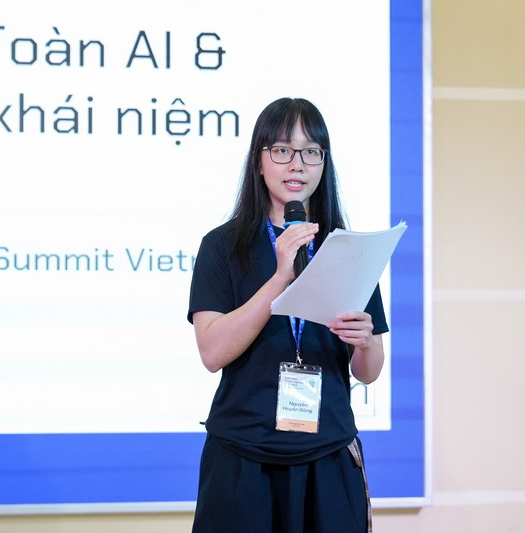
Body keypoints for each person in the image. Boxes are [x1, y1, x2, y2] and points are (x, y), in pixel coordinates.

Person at [187, 97, 388, 533]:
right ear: (258, 161)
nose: (297, 164)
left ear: (323, 164)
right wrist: (281, 277)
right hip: (243, 455)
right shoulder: (223, 246)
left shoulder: (346, 249)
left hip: (328, 453)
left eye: (311, 151)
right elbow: (212, 353)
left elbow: (368, 372)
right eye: (282, 150)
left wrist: (366, 343)